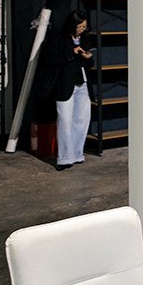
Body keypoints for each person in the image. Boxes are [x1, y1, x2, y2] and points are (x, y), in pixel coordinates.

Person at [43, 10, 93, 170]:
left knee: (82, 118)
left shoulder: (84, 39)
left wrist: (88, 57)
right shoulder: (59, 39)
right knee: (65, 120)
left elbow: (88, 63)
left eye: (84, 27)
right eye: (79, 27)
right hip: (64, 83)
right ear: (72, 25)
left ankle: (77, 153)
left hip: (82, 82)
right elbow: (51, 60)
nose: (82, 30)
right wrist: (71, 53)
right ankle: (64, 158)